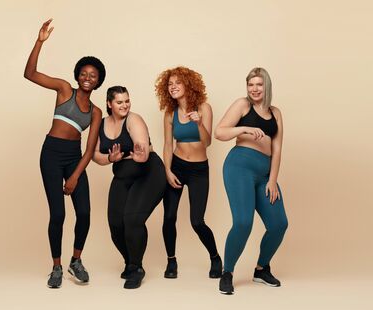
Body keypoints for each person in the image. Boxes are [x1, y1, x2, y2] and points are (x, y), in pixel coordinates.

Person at [24, 19, 105, 288]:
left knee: (84, 213)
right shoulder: (64, 89)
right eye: (84, 73)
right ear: (77, 74)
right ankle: (56, 266)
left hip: (74, 157)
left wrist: (74, 177)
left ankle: (76, 261)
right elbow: (30, 73)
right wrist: (40, 41)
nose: (87, 77)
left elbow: (89, 149)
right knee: (57, 214)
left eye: (93, 75)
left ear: (98, 82)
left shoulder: (95, 112)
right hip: (51, 153)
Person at [214, 68, 288, 294]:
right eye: (251, 85)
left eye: (259, 85)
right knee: (243, 222)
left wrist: (273, 179)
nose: (254, 89)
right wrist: (245, 127)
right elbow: (220, 132)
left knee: (278, 224)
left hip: (265, 174)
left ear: (267, 86)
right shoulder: (242, 105)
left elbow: (277, 148)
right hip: (239, 167)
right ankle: (227, 273)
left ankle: (261, 269)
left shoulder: (276, 112)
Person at [92, 86, 166, 289]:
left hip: (148, 173)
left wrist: (141, 154)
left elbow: (142, 148)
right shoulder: (101, 124)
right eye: (119, 102)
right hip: (123, 175)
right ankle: (130, 260)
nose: (125, 105)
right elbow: (94, 154)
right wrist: (110, 157)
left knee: (132, 219)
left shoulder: (134, 119)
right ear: (109, 104)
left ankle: (137, 267)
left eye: (127, 101)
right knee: (115, 224)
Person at [155, 67, 222, 279]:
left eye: (177, 83)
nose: (173, 86)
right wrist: (167, 170)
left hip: (199, 171)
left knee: (197, 221)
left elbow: (208, 142)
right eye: (169, 84)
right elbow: (167, 144)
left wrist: (199, 123)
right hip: (177, 166)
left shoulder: (204, 108)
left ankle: (215, 257)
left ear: (188, 85)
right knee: (169, 217)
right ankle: (171, 261)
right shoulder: (169, 113)